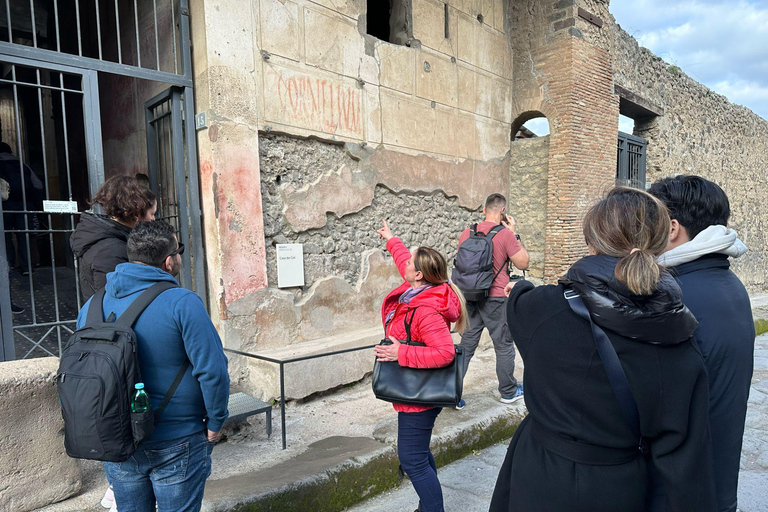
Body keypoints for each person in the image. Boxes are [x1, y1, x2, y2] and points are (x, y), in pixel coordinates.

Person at [489, 187, 716, 512]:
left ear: (592, 240)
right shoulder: (678, 333)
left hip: (538, 475)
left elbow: (519, 301)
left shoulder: (543, 309)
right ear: (660, 241)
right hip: (618, 487)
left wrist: (521, 276)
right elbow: (685, 464)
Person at [76, 220, 229, 512]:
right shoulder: (182, 302)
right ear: (170, 261)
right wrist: (216, 421)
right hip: (177, 438)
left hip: (116, 440)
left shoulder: (91, 306)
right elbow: (212, 371)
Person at [650, 176, 754, 512]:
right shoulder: (730, 285)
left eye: (651, 222)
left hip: (677, 491)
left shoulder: (674, 297)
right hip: (715, 484)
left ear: (671, 229)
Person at [374, 220, 468, 512]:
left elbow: (444, 354)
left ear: (418, 274)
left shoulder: (426, 308)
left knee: (412, 460)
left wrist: (400, 353)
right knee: (418, 453)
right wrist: (391, 239)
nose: (406, 263)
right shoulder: (418, 288)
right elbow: (404, 258)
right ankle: (427, 506)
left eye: (411, 262)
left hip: (419, 397)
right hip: (415, 391)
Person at [455, 194, 529, 409]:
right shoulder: (505, 234)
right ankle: (508, 391)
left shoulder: (467, 232)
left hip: (469, 296)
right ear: (503, 211)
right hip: (496, 297)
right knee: (503, 345)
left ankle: (451, 394)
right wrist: (515, 234)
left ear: (483, 210)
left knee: (466, 347)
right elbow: (523, 263)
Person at [71, 175, 157, 302]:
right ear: (137, 213)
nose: (153, 219)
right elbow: (112, 301)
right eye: (152, 213)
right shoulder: (111, 250)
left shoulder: (114, 239)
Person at [0, 142, 43, 276]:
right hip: (24, 206)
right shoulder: (22, 166)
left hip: (4, 207)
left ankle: (8, 266)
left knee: (5, 237)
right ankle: (27, 267)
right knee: (23, 237)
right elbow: (38, 185)